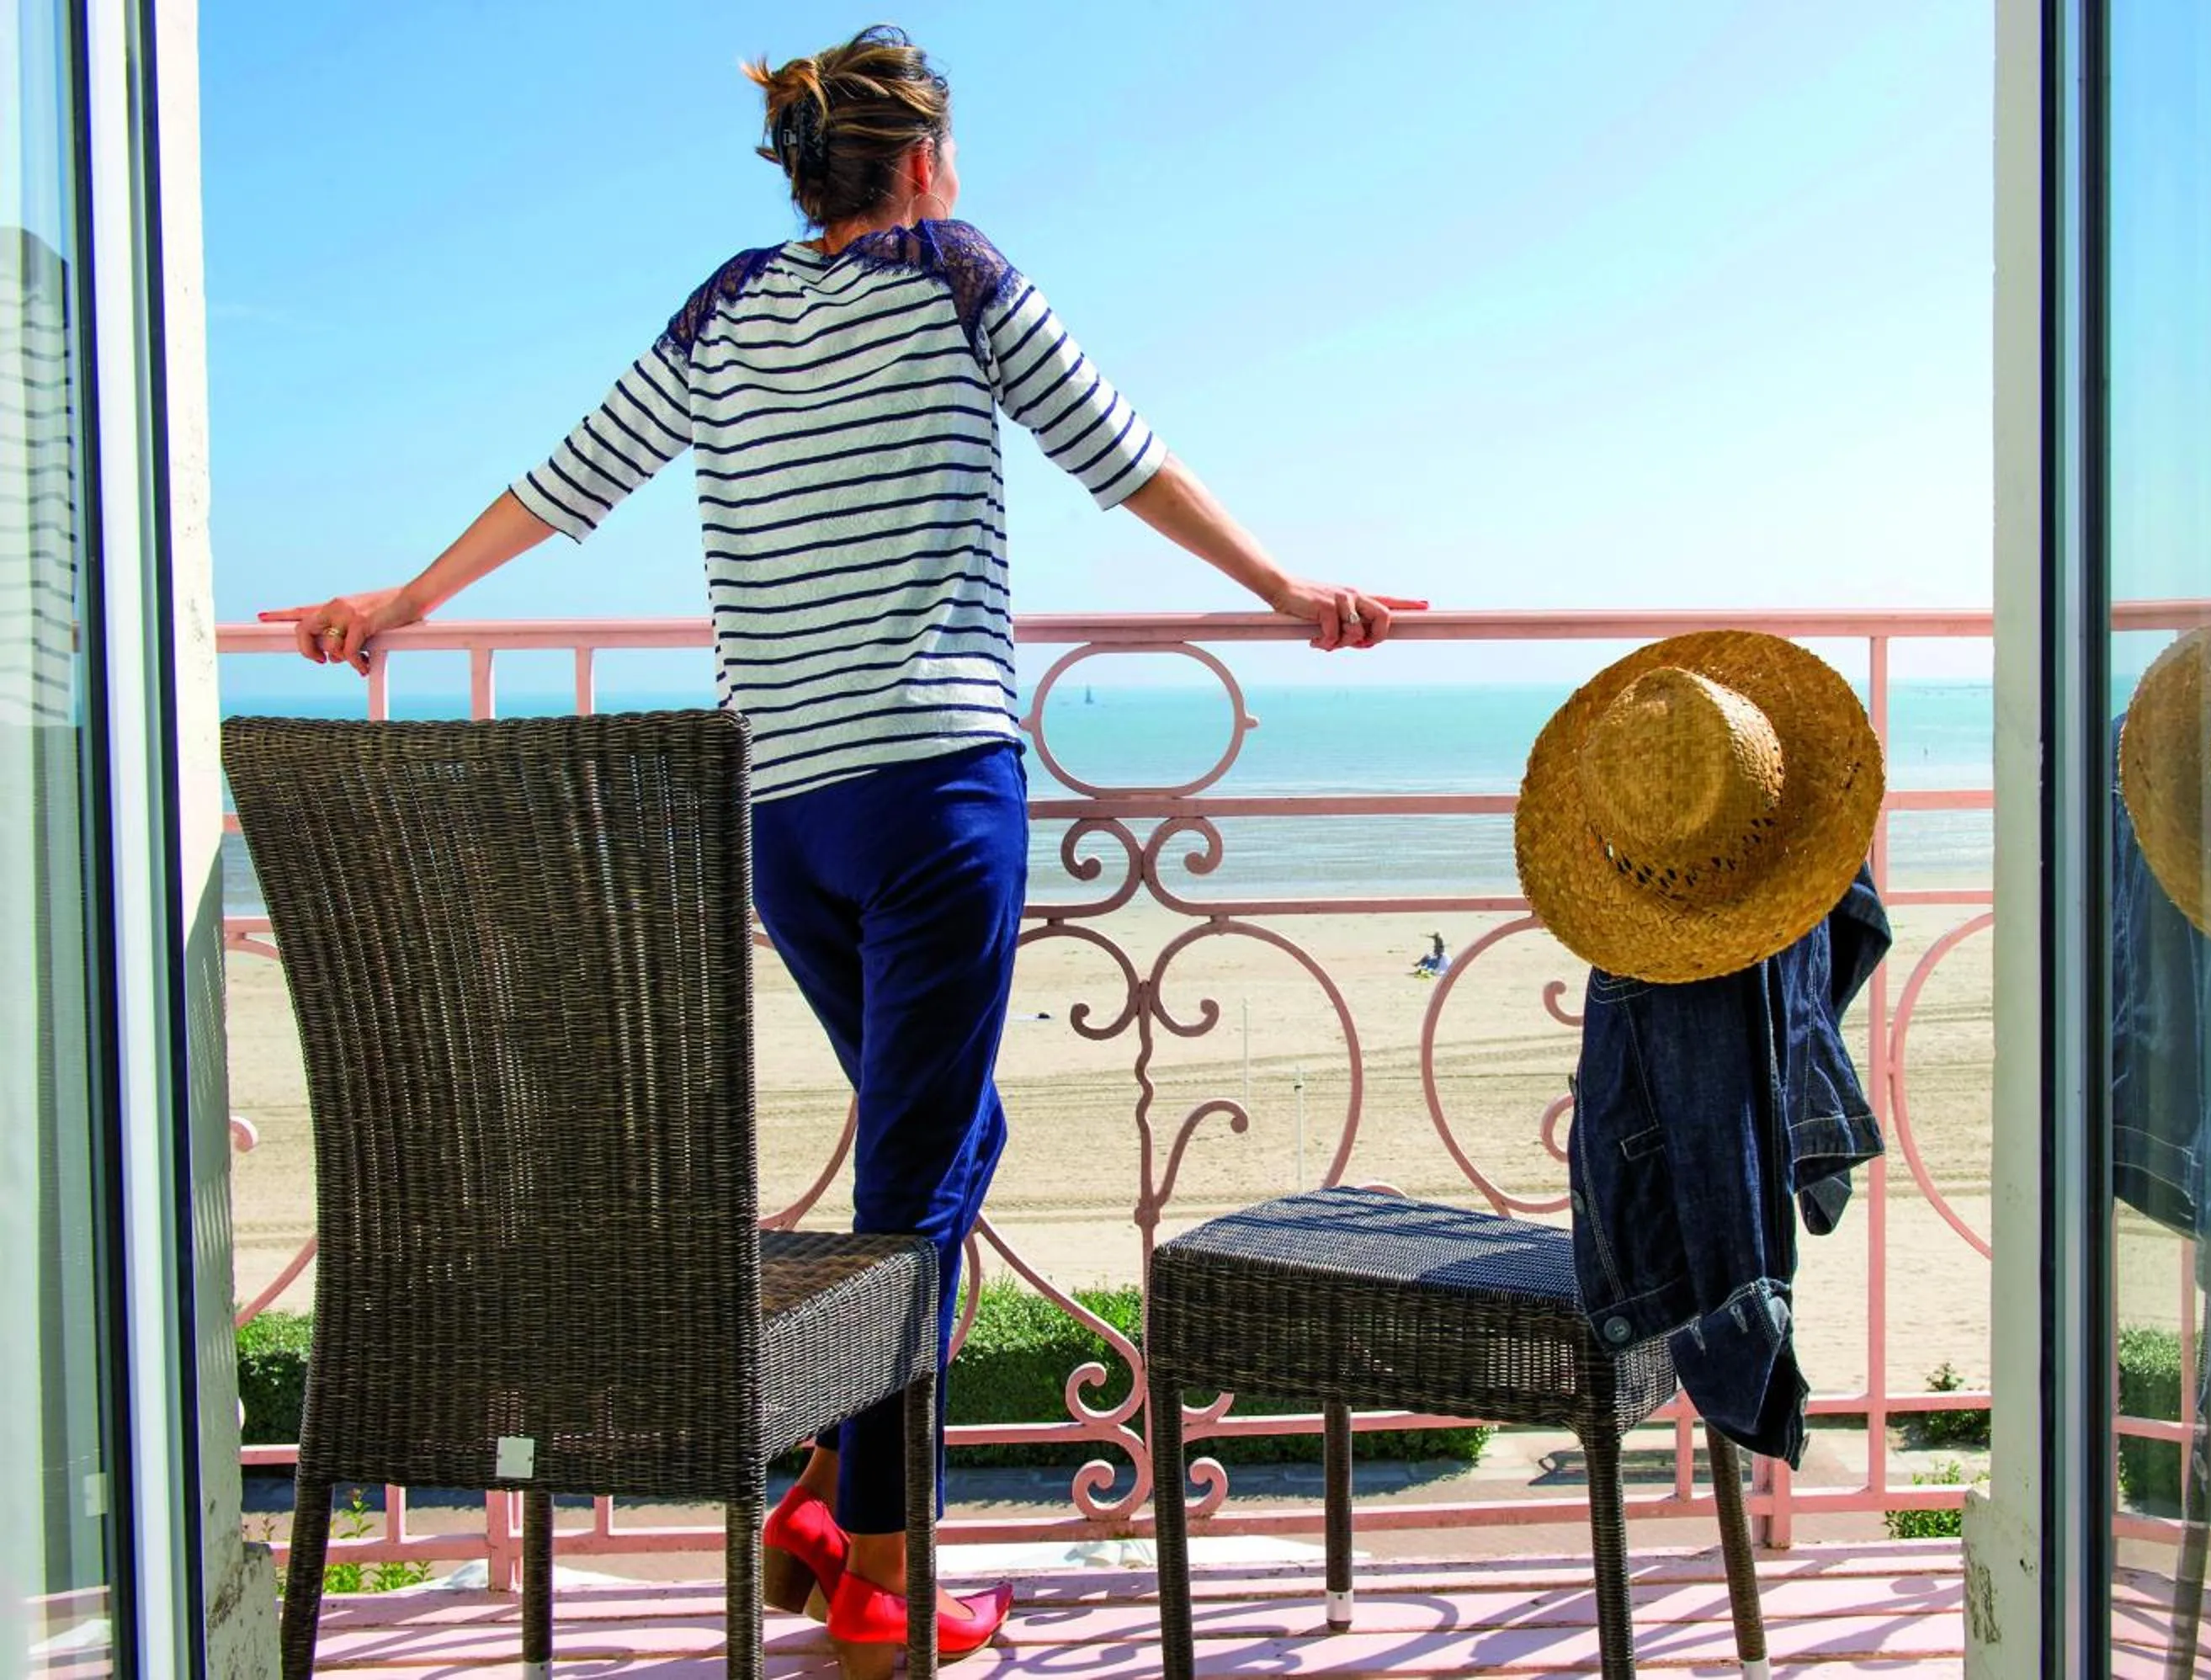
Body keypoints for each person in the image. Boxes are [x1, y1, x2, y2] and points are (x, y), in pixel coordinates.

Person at [258, 25, 1422, 1667]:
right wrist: (1290, 594)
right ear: (928, 161)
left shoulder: (726, 303)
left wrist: (402, 605)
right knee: (920, 1174)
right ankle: (883, 1559)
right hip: (937, 793)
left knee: (933, 1138)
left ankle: (822, 1493)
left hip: (783, 815)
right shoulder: (957, 273)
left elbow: (570, 479)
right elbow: (1122, 454)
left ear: (804, 169)